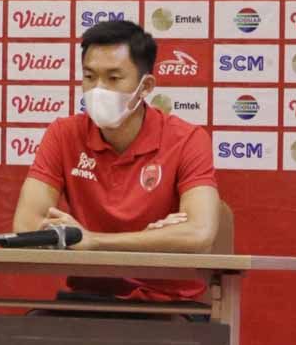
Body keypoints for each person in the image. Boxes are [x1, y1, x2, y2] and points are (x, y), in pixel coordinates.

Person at [12, 20, 220, 304]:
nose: (98, 89)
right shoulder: (63, 133)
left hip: (168, 304)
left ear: (145, 86)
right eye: (89, 77)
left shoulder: (187, 139)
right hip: (90, 299)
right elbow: (26, 226)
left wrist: (92, 240)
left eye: (113, 78)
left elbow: (199, 233)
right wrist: (155, 239)